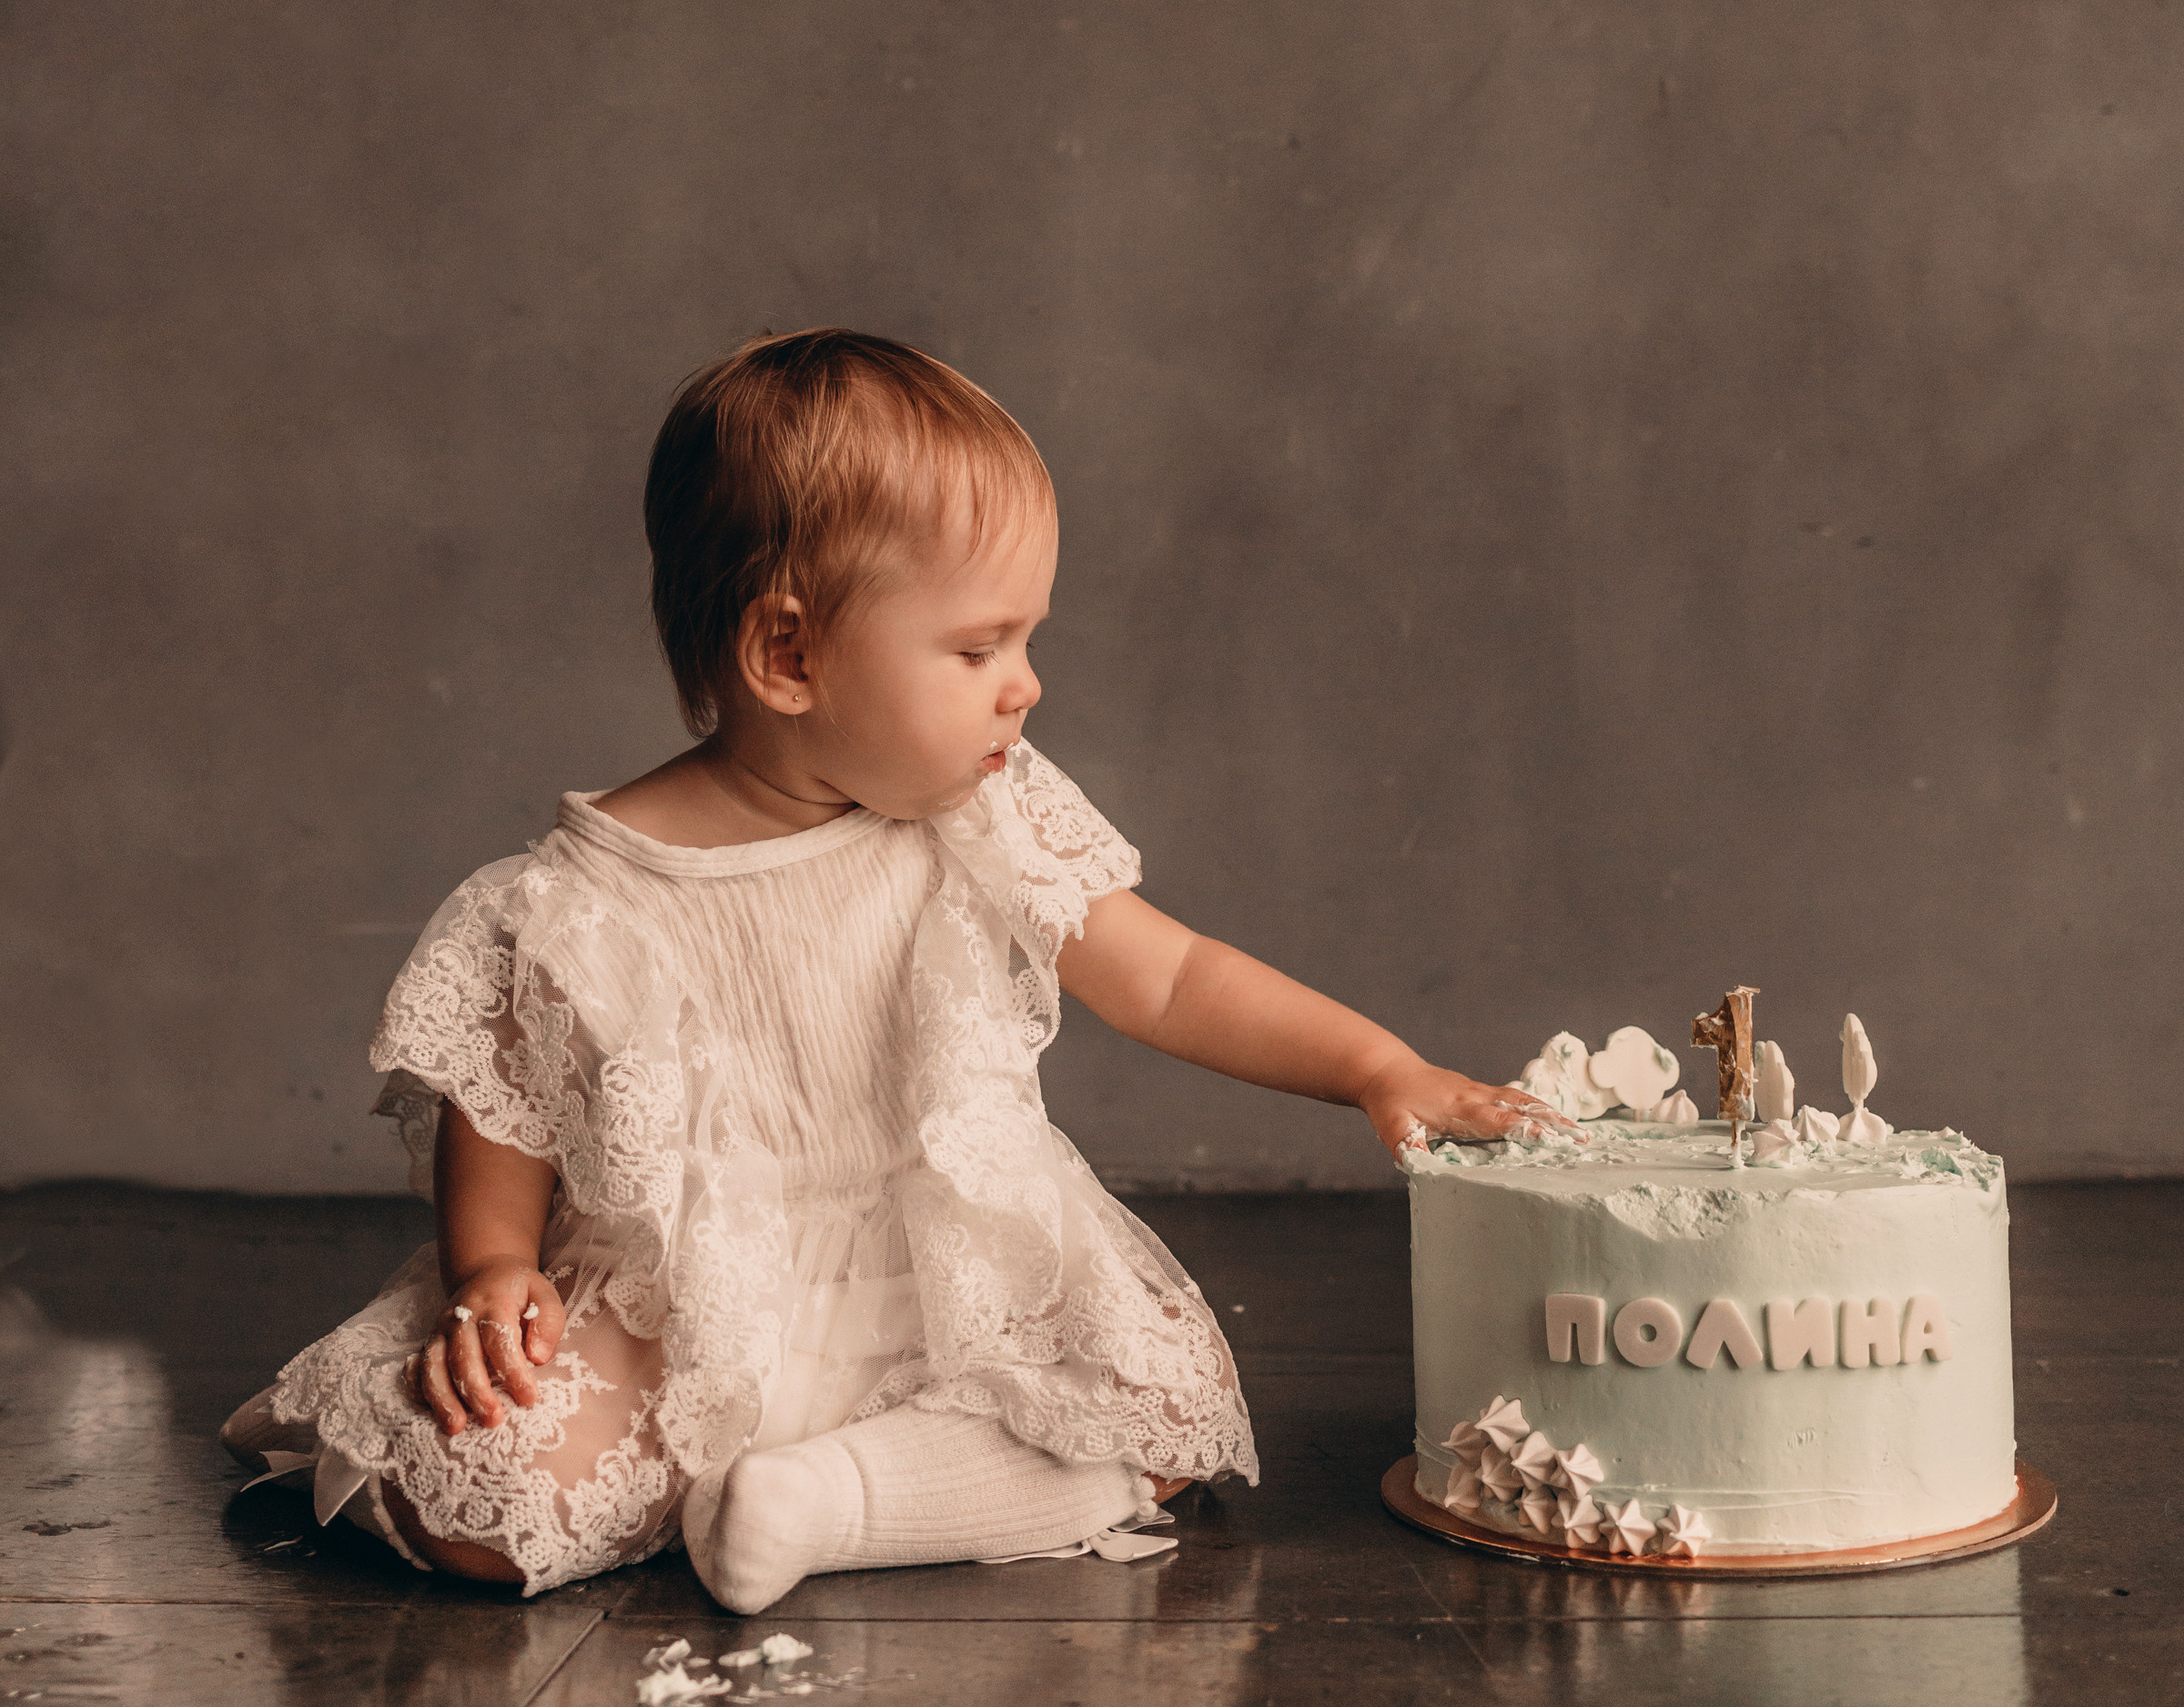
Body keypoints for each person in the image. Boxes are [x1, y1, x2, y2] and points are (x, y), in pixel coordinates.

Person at [223, 331, 1566, 1610]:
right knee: (482, 1497)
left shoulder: (975, 816)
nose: (1023, 686)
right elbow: (500, 1107)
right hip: (686, 1305)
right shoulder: (572, 900)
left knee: (1167, 1410)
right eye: (980, 649)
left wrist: (1378, 1069)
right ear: (789, 654)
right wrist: (493, 1270)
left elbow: (1168, 978)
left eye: (1025, 642)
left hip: (942, 1282)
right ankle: (774, 1480)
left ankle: (828, 1503)